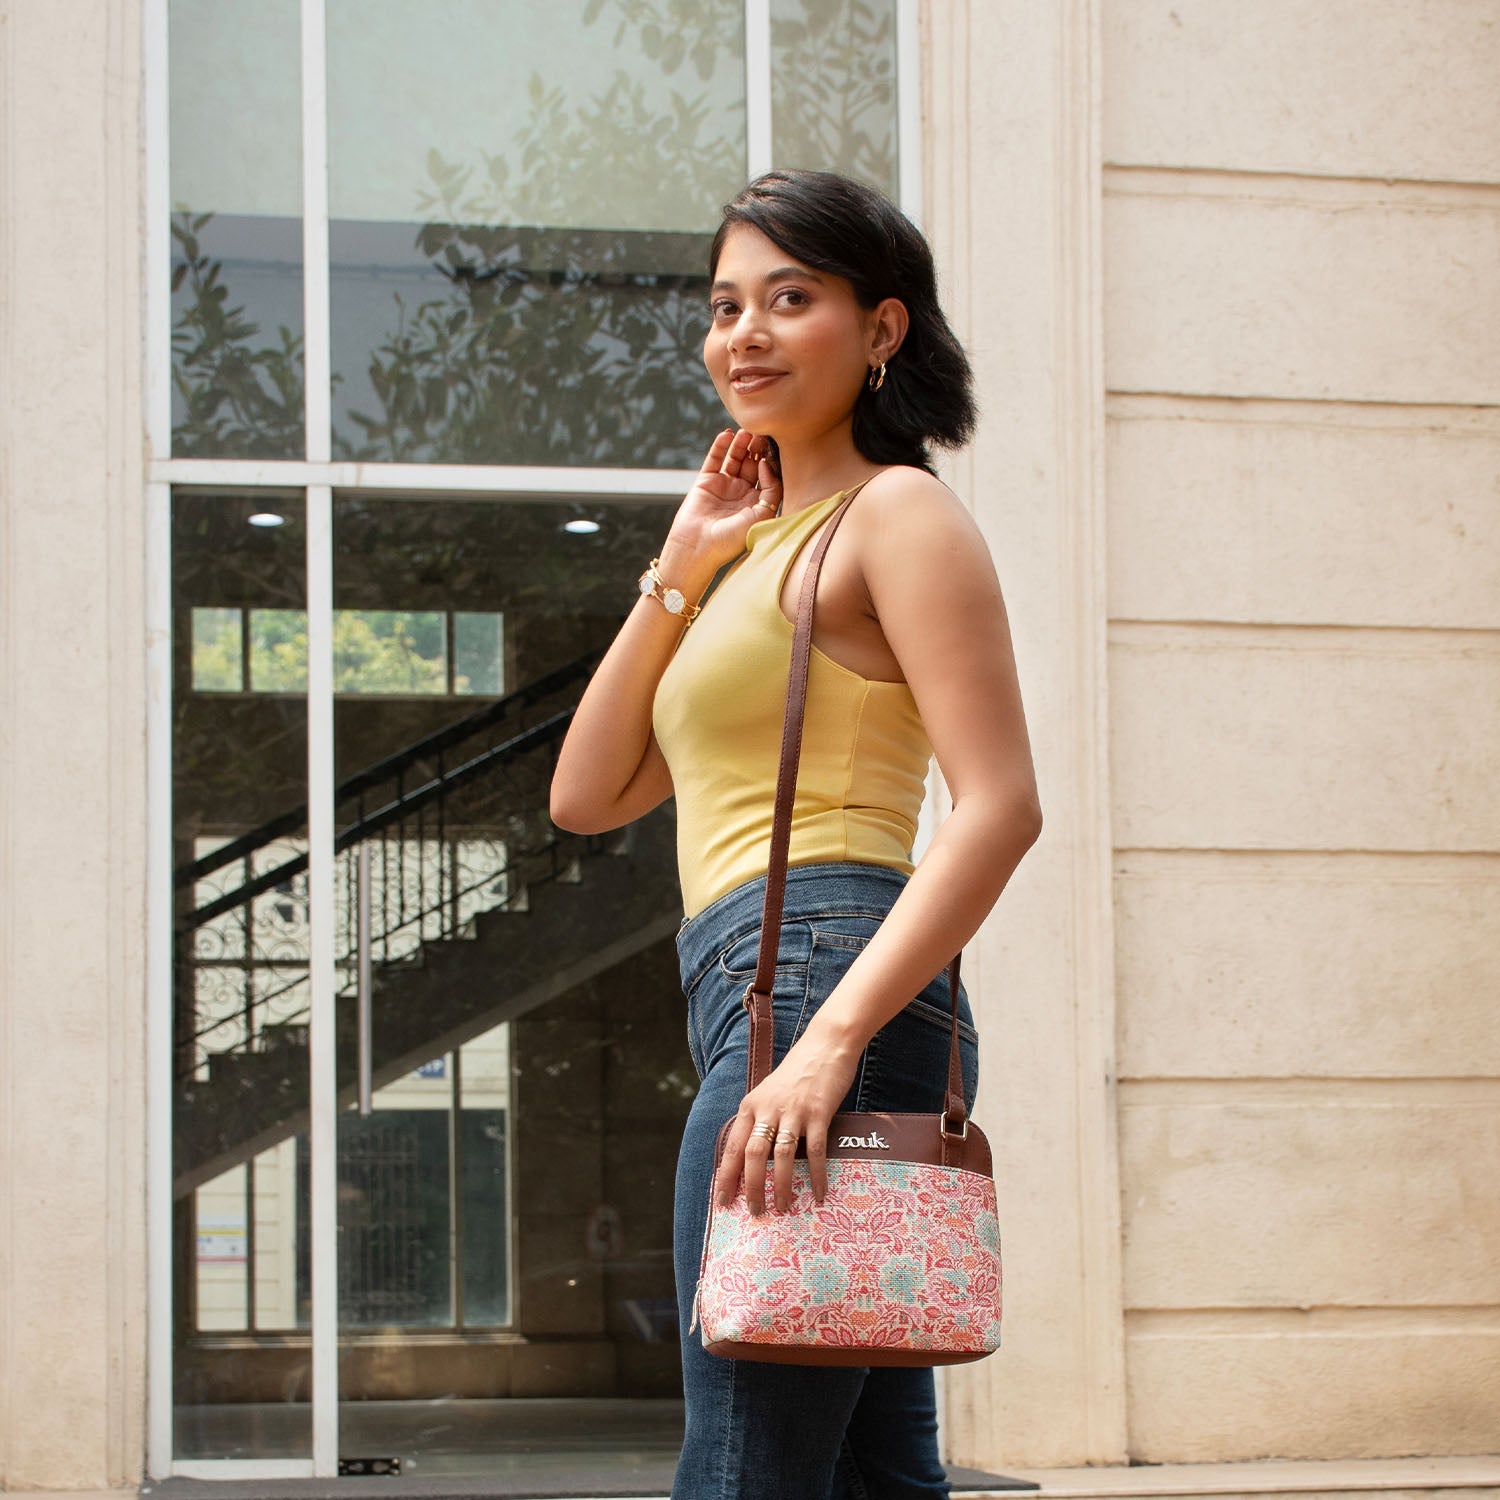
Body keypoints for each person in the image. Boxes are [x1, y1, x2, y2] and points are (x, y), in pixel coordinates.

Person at [550, 168, 1042, 1500]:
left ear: (881, 329)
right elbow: (586, 795)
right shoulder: (755, 550)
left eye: (790, 298)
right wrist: (682, 559)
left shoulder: (898, 515)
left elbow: (1000, 805)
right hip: (759, 989)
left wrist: (828, 1042)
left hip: (829, 986)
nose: (744, 335)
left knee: (746, 1460)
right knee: (871, 1471)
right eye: (724, 306)